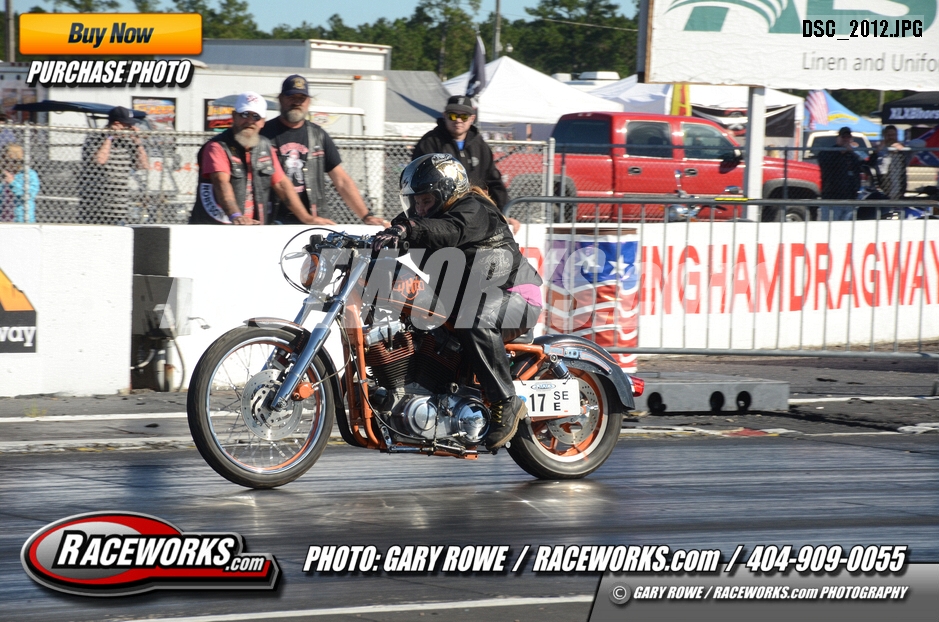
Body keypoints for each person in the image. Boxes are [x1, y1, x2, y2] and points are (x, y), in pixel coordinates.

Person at [373, 154, 543, 450]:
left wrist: (408, 229)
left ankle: (506, 400)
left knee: (474, 319)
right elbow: (408, 229)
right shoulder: (424, 220)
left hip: (515, 295)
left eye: (426, 200)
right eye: (416, 202)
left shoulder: (474, 210)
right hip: (465, 300)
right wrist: (372, 242)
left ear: (447, 193)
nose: (419, 208)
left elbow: (448, 231)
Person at [260, 74, 388, 226]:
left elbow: (341, 180)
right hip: (273, 220)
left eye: (301, 98)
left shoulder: (318, 136)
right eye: (291, 97)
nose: (296, 102)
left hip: (314, 220)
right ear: (280, 99)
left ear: (309, 101)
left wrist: (366, 216)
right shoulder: (264, 134)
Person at [189, 91, 329, 225]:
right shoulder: (217, 147)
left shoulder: (265, 146)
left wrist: (306, 218)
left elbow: (282, 184)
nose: (250, 121)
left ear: (262, 122)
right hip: (214, 229)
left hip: (252, 228)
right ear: (234, 116)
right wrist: (236, 216)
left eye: (256, 117)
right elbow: (221, 183)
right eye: (245, 114)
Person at [412, 96, 520, 231]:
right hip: (439, 218)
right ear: (444, 116)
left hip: (473, 216)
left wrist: (504, 213)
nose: (458, 120)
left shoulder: (480, 146)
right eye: (452, 115)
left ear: (472, 118)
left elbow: (494, 182)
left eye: (463, 116)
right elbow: (418, 183)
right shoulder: (430, 143)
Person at [79, 106, 148, 224]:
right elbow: (100, 160)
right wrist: (110, 137)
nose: (129, 129)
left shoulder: (127, 142)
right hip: (95, 208)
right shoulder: (95, 137)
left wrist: (137, 141)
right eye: (127, 126)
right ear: (116, 124)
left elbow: (143, 165)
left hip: (119, 208)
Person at [816, 126, 861, 221]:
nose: (846, 139)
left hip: (850, 197)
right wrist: (840, 152)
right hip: (832, 197)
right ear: (838, 138)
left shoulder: (852, 155)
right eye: (843, 137)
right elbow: (823, 161)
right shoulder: (830, 152)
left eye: (848, 137)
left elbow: (863, 165)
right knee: (829, 225)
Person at [868, 125, 911, 201]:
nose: (891, 137)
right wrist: (878, 152)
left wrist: (902, 147)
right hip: (884, 189)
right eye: (888, 135)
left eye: (893, 135)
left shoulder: (903, 151)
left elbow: (921, 143)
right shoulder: (879, 151)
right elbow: (872, 165)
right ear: (884, 136)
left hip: (899, 189)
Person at [0, 144, 40, 223]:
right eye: (4, 160)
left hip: (21, 220)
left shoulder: (29, 174)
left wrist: (12, 182)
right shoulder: (3, 174)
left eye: (10, 160)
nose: (6, 163)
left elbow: (29, 195)